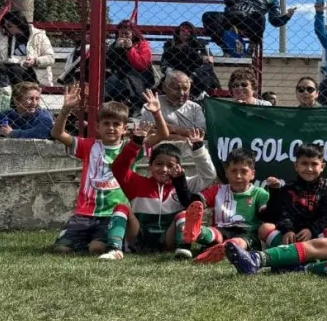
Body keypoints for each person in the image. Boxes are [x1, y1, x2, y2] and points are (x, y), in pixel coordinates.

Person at [49, 86, 148, 257]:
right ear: (97, 127)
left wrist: (156, 113)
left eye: (116, 124)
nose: (111, 128)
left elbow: (162, 135)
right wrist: (66, 110)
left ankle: (108, 239)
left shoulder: (129, 148)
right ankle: (80, 238)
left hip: (111, 214)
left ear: (125, 129)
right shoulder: (88, 146)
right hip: (84, 213)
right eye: (106, 124)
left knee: (96, 249)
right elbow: (57, 133)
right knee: (61, 250)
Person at [110, 127, 215, 258]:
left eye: (170, 166)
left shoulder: (184, 184)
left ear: (179, 168)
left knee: (183, 214)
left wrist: (198, 149)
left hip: (168, 239)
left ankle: (183, 249)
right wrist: (135, 142)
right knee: (121, 208)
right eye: (159, 164)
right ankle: (114, 249)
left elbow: (209, 176)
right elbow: (118, 168)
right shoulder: (136, 183)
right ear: (150, 166)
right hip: (139, 237)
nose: (164, 169)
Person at [173, 147, 270, 264]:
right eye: (233, 171)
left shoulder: (260, 193)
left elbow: (268, 215)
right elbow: (191, 202)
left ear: (252, 174)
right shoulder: (217, 190)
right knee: (212, 233)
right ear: (226, 173)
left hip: (247, 232)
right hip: (221, 230)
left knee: (238, 242)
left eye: (244, 171)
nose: (238, 176)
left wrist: (274, 195)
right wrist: (179, 180)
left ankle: (222, 249)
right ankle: (197, 232)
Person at [257, 143, 327, 248]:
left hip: (316, 237)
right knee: (264, 228)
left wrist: (311, 230)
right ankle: (289, 252)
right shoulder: (288, 188)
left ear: (322, 167)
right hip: (291, 236)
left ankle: (309, 253)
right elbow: (280, 214)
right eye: (304, 163)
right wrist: (288, 230)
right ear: (296, 166)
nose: (309, 169)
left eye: (314, 164)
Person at [104, 20, 155, 112]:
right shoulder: (115, 45)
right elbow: (107, 63)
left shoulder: (142, 45)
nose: (123, 36)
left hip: (139, 76)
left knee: (125, 82)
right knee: (112, 80)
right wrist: (116, 49)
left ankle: (131, 108)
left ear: (133, 34)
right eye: (121, 33)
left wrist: (130, 49)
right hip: (119, 76)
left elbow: (141, 65)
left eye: (127, 33)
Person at [0, 10, 55, 87]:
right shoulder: (6, 36)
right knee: (1, 70)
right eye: (4, 26)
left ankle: (18, 92)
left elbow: (51, 58)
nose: (6, 28)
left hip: (32, 72)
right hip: (10, 69)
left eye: (9, 26)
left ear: (19, 24)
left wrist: (35, 61)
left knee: (14, 70)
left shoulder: (38, 35)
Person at [138, 71, 206, 138]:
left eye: (185, 89)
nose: (181, 93)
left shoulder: (194, 107)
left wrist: (173, 128)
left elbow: (200, 133)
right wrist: (183, 136)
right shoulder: (153, 105)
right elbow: (149, 132)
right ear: (164, 87)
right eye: (177, 88)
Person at [160, 21, 220, 97]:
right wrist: (174, 75)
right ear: (178, 31)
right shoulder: (170, 46)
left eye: (189, 30)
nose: (186, 32)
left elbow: (208, 64)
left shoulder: (200, 44)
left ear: (193, 32)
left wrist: (193, 76)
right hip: (176, 75)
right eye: (182, 30)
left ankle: (200, 98)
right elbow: (164, 64)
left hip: (198, 76)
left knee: (204, 79)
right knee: (164, 83)